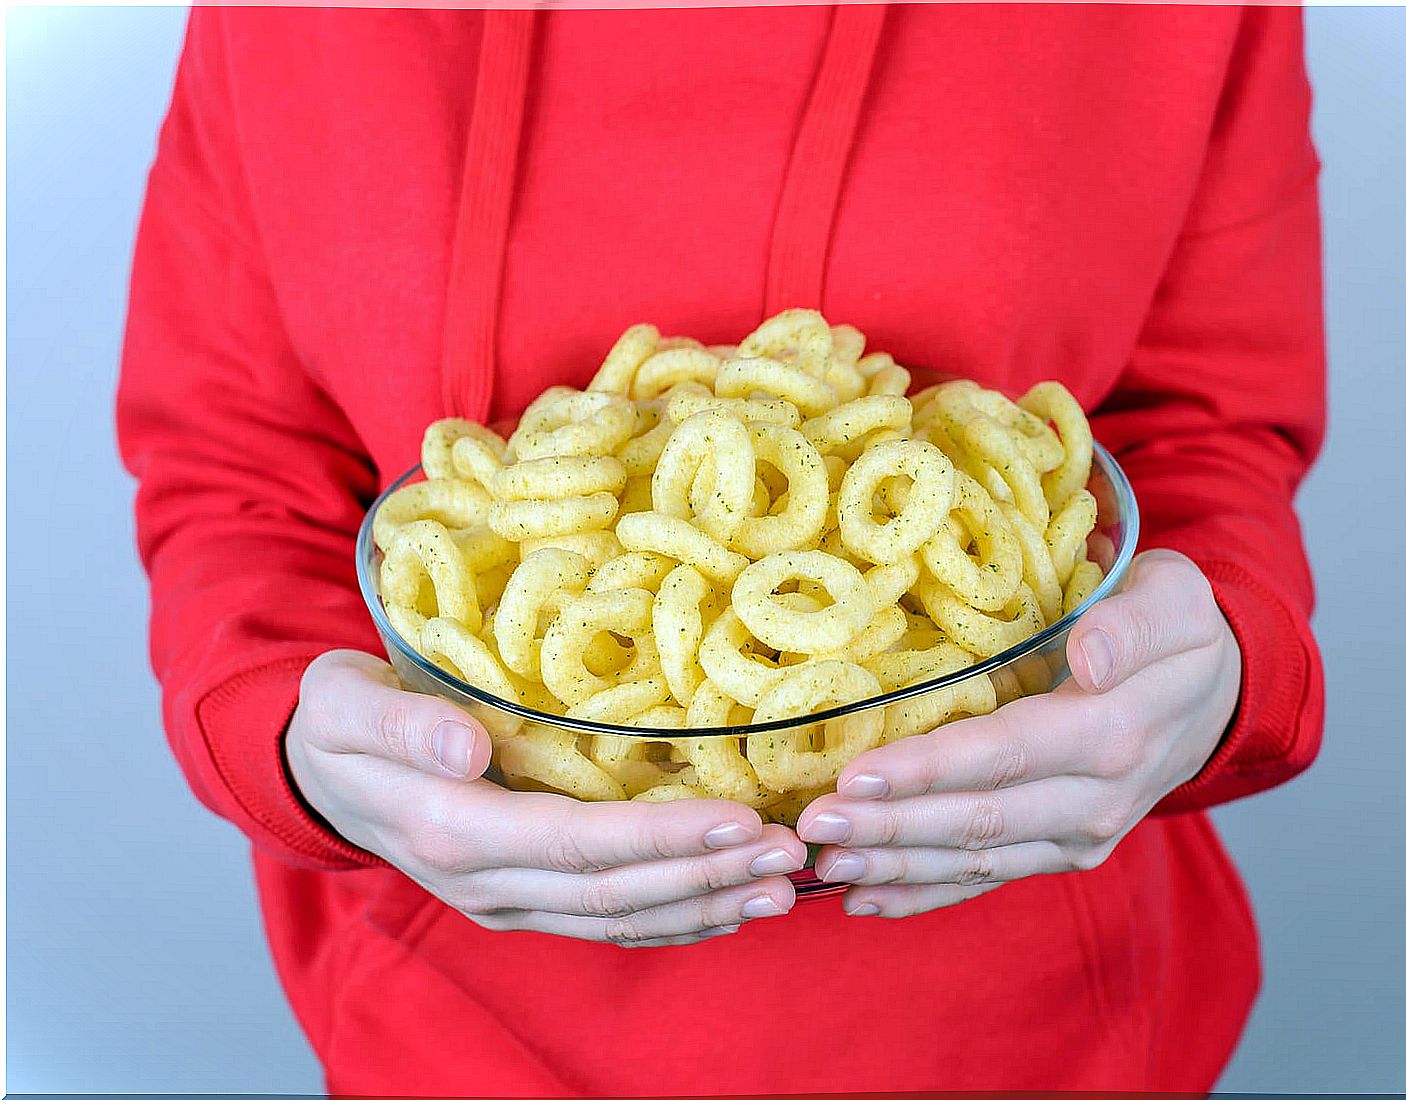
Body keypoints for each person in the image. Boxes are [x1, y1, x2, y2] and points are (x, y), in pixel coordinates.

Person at [117, 4, 1325, 1094]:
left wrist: (1218, 660)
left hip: (1038, 1018)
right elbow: (235, 467)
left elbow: (1206, 432)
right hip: (452, 1023)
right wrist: (291, 737)